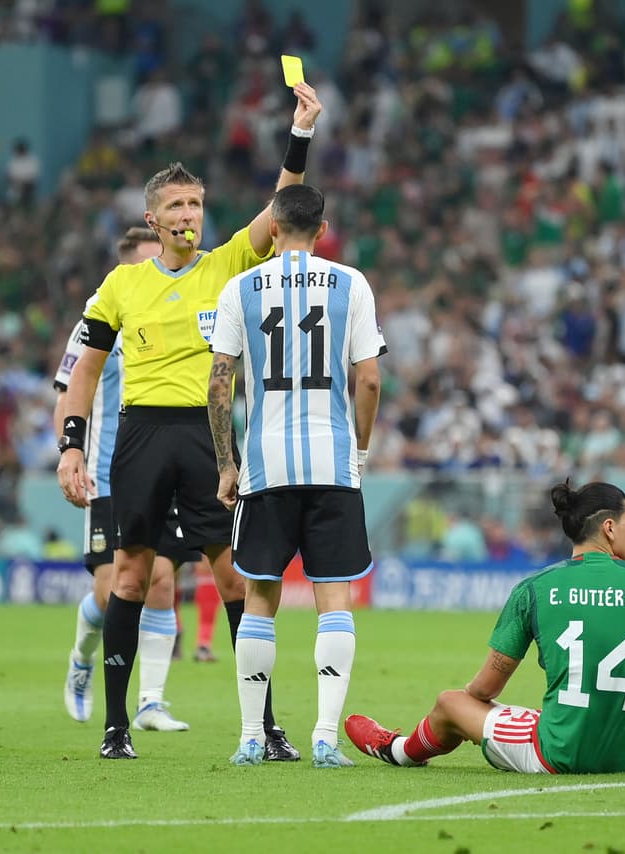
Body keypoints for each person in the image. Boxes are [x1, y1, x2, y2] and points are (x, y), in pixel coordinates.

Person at [55, 82, 323, 760]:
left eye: (196, 203)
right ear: (153, 217)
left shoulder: (228, 264)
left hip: (209, 437)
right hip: (142, 434)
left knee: (235, 576)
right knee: (131, 575)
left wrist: (300, 134)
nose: (188, 214)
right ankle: (117, 728)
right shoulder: (122, 285)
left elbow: (281, 205)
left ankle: (263, 724)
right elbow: (84, 370)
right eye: (175, 205)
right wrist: (71, 448)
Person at [206, 183, 386, 769]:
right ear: (324, 229)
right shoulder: (351, 283)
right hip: (332, 464)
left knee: (260, 596)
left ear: (273, 227)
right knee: (334, 599)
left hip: (265, 466)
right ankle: (326, 736)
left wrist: (226, 463)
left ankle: (251, 736)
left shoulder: (239, 289)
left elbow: (218, 383)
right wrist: (359, 450)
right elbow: (370, 380)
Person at [345, 480, 625, 775]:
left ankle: (399, 751)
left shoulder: (536, 588)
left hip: (557, 755)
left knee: (450, 703)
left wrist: (472, 692)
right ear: (609, 528)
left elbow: (486, 688)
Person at [55, 228, 193, 734]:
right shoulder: (99, 316)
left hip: (169, 468)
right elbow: (68, 392)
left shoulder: (178, 307)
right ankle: (81, 660)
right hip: (110, 469)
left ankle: (152, 702)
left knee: (161, 580)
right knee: (114, 588)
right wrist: (70, 455)